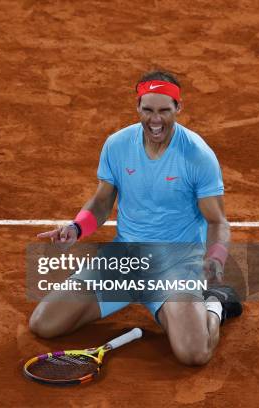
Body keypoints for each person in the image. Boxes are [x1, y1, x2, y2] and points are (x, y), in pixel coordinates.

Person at [31, 70, 243, 366]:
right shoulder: (117, 145)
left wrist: (215, 258)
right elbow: (102, 202)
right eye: (148, 110)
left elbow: (218, 222)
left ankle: (214, 303)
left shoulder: (198, 156)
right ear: (138, 107)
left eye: (164, 111)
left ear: (178, 108)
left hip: (178, 265)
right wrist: (77, 227)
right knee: (44, 324)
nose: (155, 120)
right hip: (127, 258)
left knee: (194, 353)